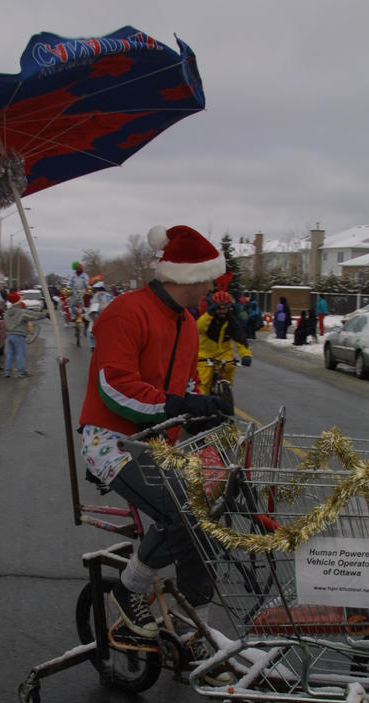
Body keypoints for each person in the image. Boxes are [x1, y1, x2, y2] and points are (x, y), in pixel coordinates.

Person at [79, 223, 231, 648]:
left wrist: (202, 409)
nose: (213, 287)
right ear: (188, 276)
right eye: (209, 278)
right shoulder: (126, 312)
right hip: (112, 441)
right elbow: (115, 387)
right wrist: (179, 406)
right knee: (184, 514)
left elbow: (185, 385)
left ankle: (195, 634)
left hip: (160, 442)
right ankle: (128, 589)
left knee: (204, 519)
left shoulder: (187, 323)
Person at [196, 276, 252, 394]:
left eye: (224, 308)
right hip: (206, 353)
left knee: (229, 369)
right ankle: (202, 402)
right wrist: (209, 314)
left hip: (224, 354)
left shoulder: (231, 321)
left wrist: (246, 355)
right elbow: (198, 328)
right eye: (218, 309)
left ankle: (226, 391)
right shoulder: (207, 319)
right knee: (203, 382)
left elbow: (240, 339)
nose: (222, 311)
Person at [3, 292, 34, 378]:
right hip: (18, 335)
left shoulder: (8, 311)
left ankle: (7, 372)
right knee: (20, 354)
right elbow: (31, 317)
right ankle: (21, 372)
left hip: (9, 334)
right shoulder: (21, 312)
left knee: (10, 354)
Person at [85, 277, 113, 350]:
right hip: (111, 322)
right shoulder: (110, 296)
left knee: (91, 335)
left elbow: (92, 311)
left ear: (96, 289)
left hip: (100, 321)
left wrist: (87, 316)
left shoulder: (97, 296)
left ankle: (93, 349)